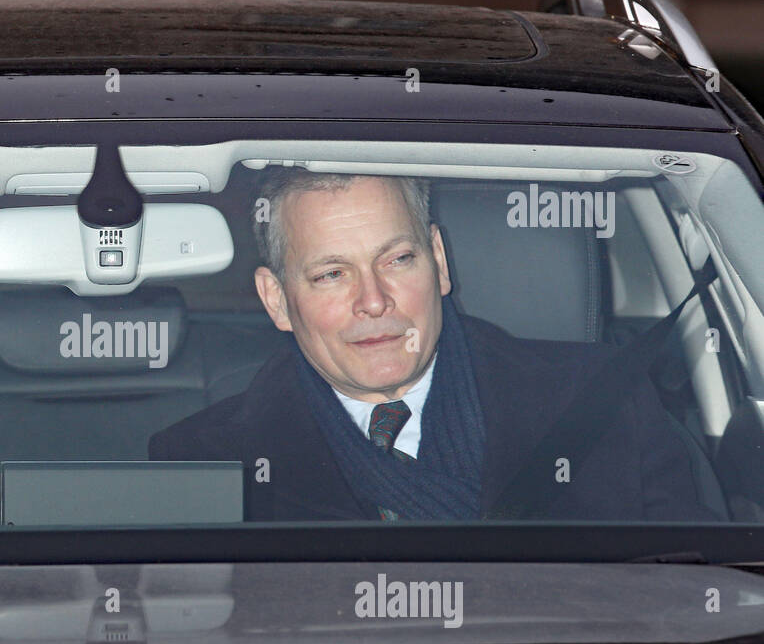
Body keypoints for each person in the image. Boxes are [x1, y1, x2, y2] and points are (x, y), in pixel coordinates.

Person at [149, 170, 721, 522]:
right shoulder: (202, 465)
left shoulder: (609, 406)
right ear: (276, 300)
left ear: (439, 263)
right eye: (330, 274)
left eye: (397, 259)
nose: (373, 301)